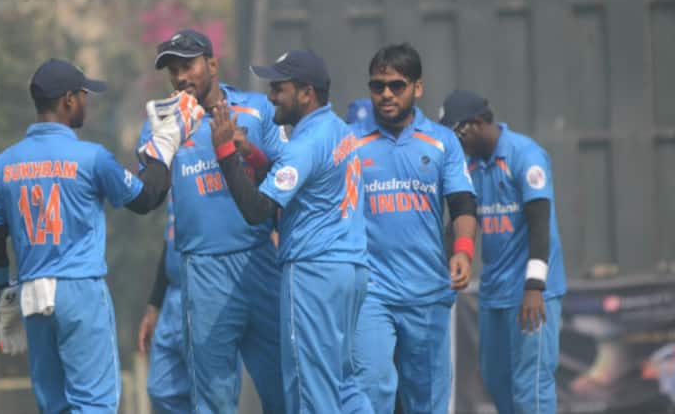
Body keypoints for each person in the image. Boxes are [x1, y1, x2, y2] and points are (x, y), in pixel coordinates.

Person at [0, 58, 193, 413]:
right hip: (79, 292)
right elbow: (146, 199)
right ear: (67, 100)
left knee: (55, 407)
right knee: (94, 404)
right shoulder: (90, 157)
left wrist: (2, 296)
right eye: (83, 95)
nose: (86, 102)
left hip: (32, 296)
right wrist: (166, 145)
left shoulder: (5, 164)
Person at [209, 49, 373, 413]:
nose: (270, 97)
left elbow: (257, 211)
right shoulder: (337, 129)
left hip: (313, 272)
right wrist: (251, 152)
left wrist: (224, 152)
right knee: (342, 384)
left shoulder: (304, 143)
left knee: (309, 386)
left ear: (305, 92)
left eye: (278, 88)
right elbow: (299, 179)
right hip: (350, 270)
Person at [137, 29, 286, 413]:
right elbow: (150, 196)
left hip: (259, 261)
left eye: (187, 66)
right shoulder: (161, 123)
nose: (181, 78)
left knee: (285, 388)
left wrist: (248, 149)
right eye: (173, 70)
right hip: (203, 272)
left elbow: (287, 177)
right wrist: (165, 143)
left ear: (213, 64)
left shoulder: (257, 109)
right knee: (214, 398)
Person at [349, 43, 478, 414]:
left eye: (396, 85)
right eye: (377, 86)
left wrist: (464, 252)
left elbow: (463, 204)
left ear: (417, 88)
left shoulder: (442, 142)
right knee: (371, 391)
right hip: (371, 293)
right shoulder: (350, 141)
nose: (386, 94)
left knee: (428, 402)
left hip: (427, 293)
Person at [439, 89, 567, 414]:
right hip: (495, 293)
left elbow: (540, 223)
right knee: (497, 381)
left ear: (478, 123)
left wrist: (535, 287)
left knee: (531, 387)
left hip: (531, 293)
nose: (455, 142)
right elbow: (458, 220)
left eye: (458, 133)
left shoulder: (525, 155)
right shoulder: (469, 165)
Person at [137, 195, 242, 413]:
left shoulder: (222, 174)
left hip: (208, 292)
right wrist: (154, 305)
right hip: (172, 299)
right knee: (160, 389)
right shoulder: (178, 178)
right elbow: (169, 244)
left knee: (213, 393)